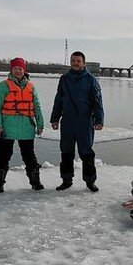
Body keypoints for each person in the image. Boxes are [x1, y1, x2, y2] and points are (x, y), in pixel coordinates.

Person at [50, 51, 104, 191]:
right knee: (66, 152)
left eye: (78, 61)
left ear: (84, 63)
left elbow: (97, 102)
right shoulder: (64, 79)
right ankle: (66, 181)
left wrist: (99, 120)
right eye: (73, 60)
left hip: (85, 121)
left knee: (86, 153)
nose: (75, 63)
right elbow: (58, 100)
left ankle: (90, 182)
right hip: (67, 121)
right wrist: (55, 118)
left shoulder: (91, 80)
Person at [0, 57, 45, 192]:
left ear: (24, 70)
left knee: (29, 156)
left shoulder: (31, 87)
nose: (18, 71)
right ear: (11, 70)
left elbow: (37, 107)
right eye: (15, 68)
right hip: (7, 126)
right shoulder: (3, 85)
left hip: (26, 126)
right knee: (4, 155)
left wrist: (40, 124)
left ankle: (35, 182)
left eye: (20, 69)